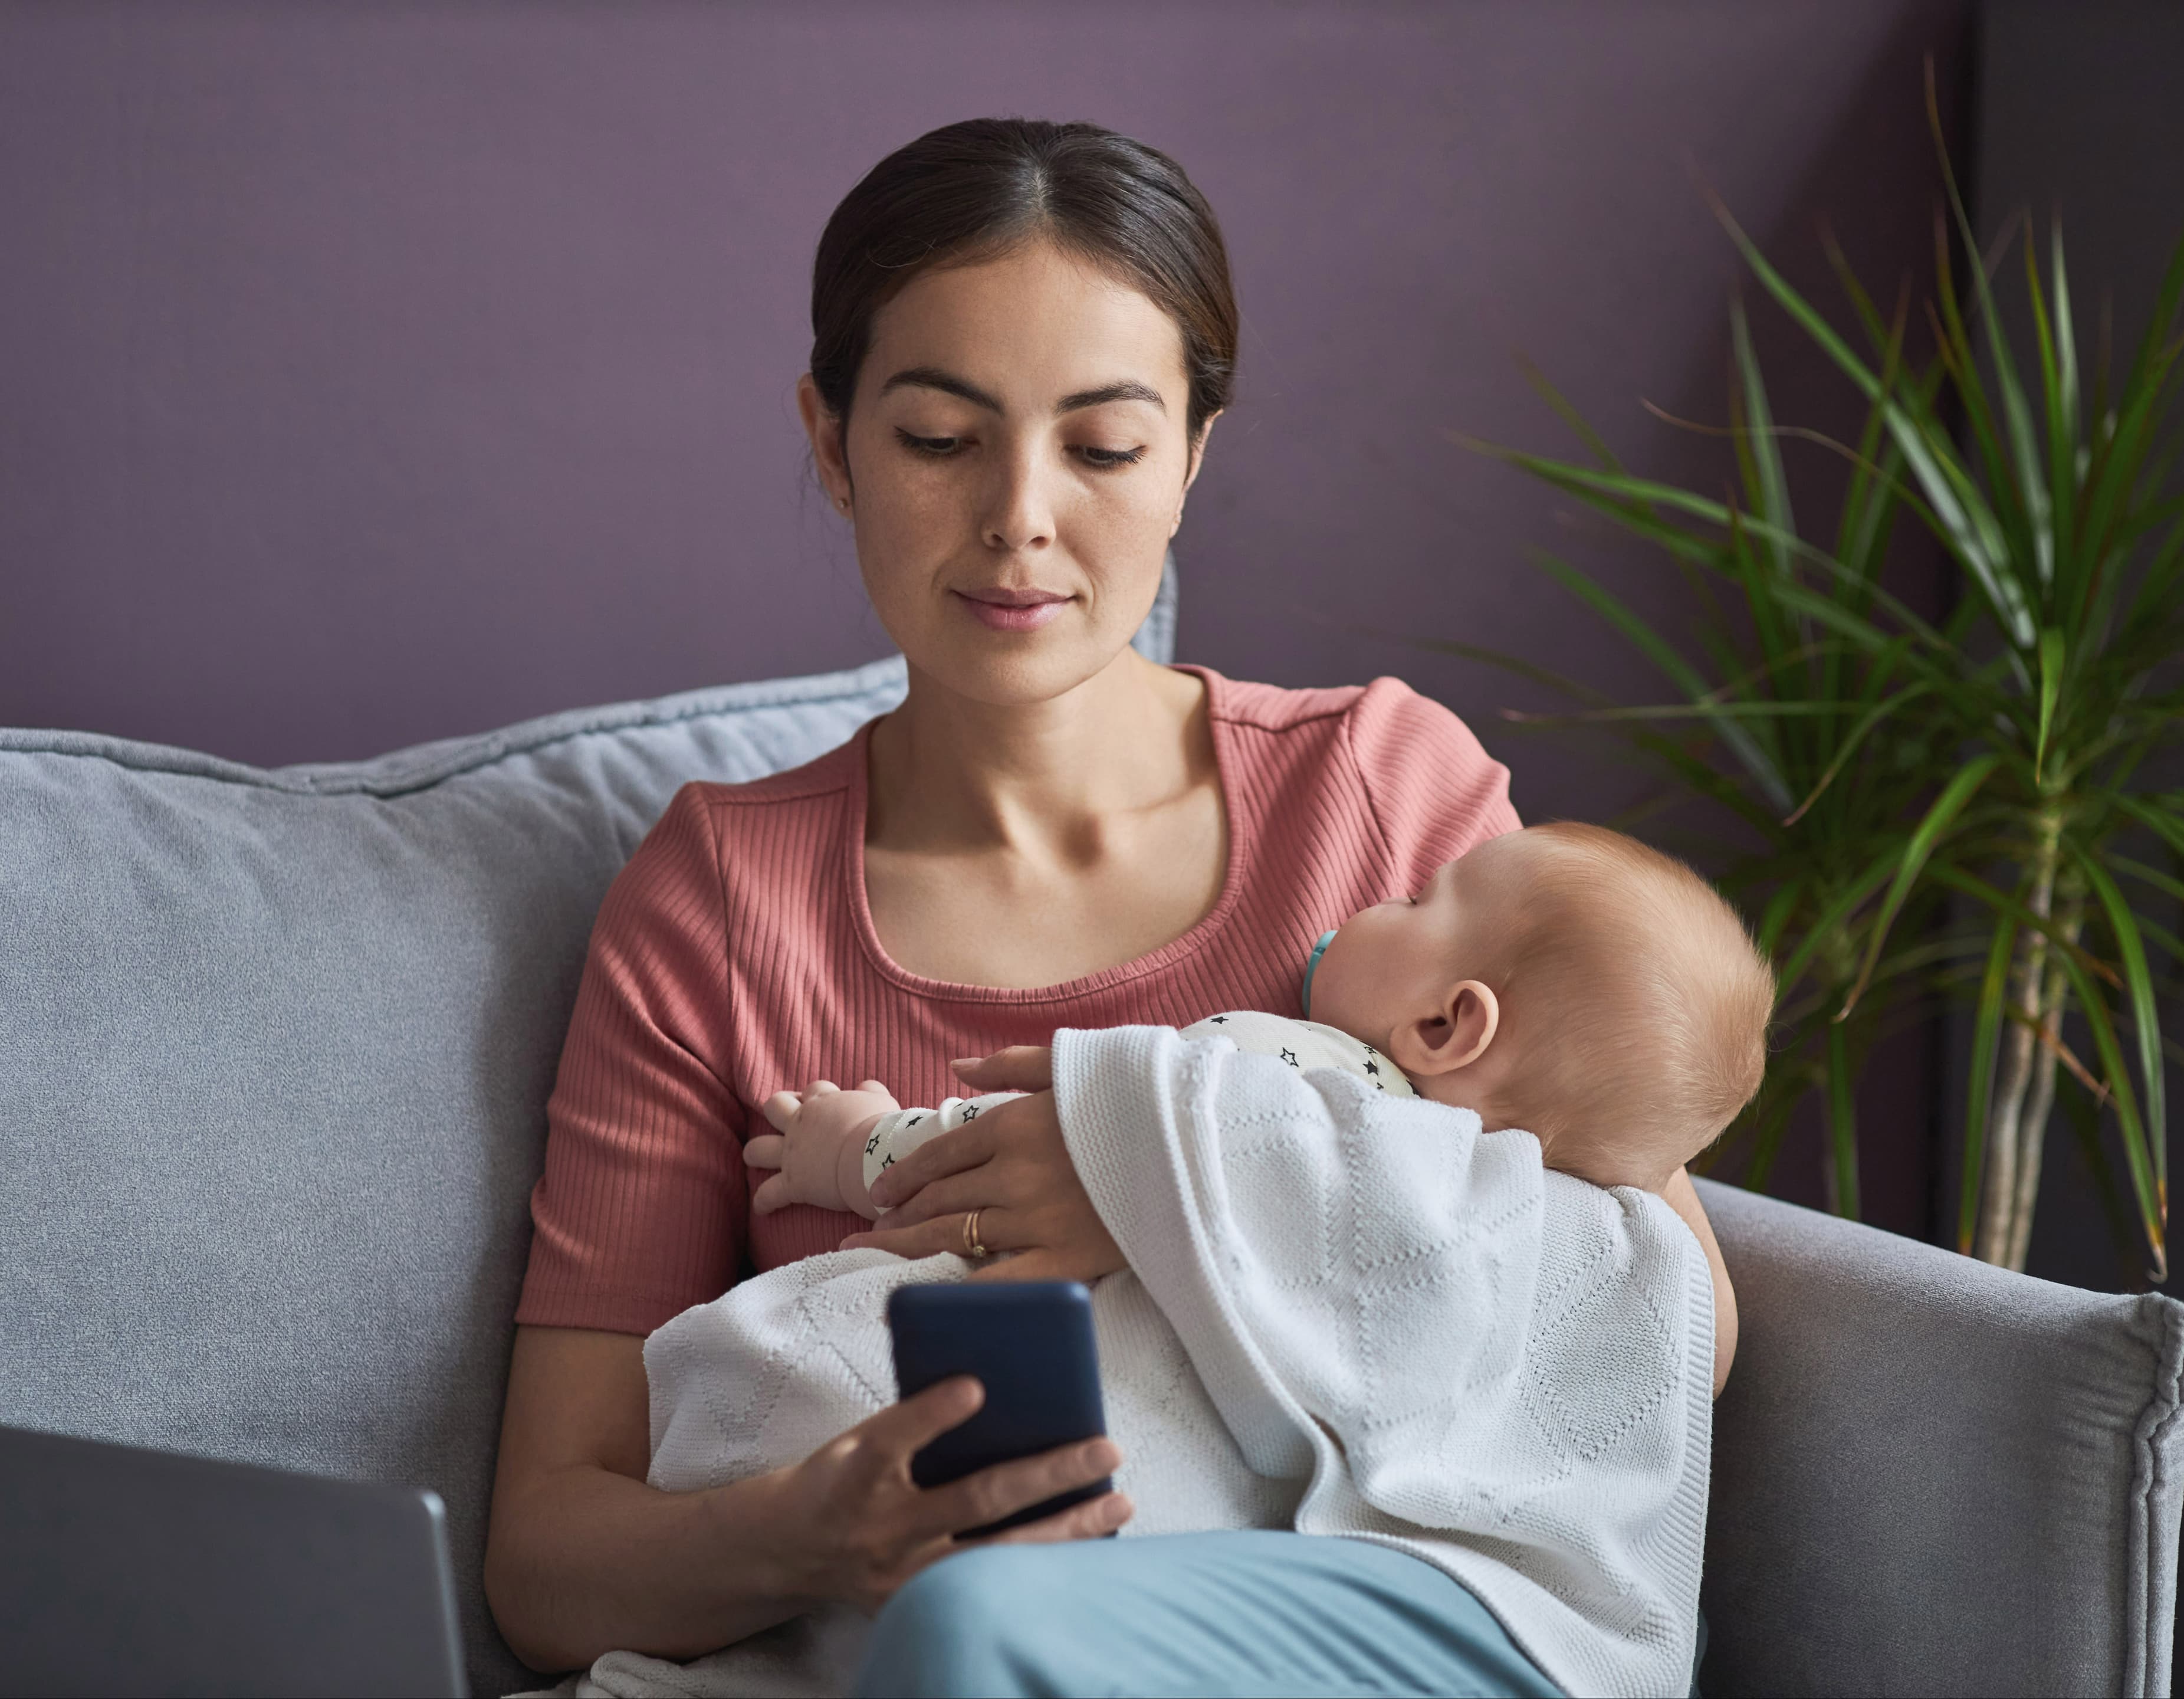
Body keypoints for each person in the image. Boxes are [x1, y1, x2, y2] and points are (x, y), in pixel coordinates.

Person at [484, 117, 1738, 1694]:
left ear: (1194, 456)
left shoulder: (1386, 803)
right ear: (831, 441)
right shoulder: (721, 904)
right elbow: (545, 1562)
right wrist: (812, 1531)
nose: (1021, 515)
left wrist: (1173, 1197)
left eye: (1103, 444)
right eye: (940, 438)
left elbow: (1664, 1314)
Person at [748, 822, 1776, 1225]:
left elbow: (1021, 1154)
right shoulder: (1501, 1213)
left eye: (1419, 901)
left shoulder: (1284, 1072)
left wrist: (856, 1148)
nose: (1381, 900)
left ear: (1445, 1027)